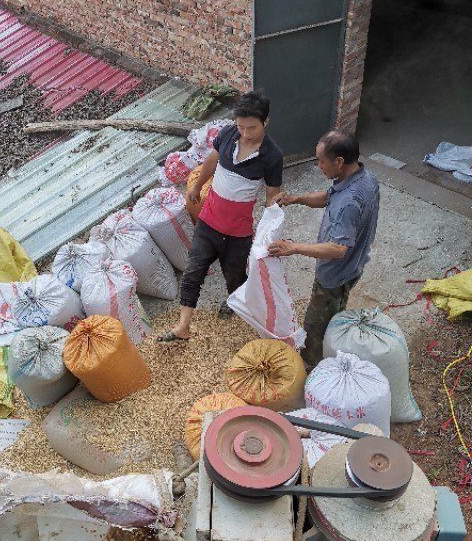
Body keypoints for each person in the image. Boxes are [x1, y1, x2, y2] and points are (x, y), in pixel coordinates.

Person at [157, 90, 283, 342]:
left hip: (238, 232)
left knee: (234, 276)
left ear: (265, 122)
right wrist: (195, 186)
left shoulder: (273, 156)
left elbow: (272, 196)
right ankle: (183, 326)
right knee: (194, 271)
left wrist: (272, 228)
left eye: (252, 128)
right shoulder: (227, 134)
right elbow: (212, 161)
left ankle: (234, 301)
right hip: (209, 221)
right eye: (241, 127)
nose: (245, 134)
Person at [267, 130, 379, 367]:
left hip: (334, 276)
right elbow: (328, 197)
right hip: (354, 267)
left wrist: (294, 247)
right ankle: (333, 330)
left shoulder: (349, 202)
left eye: (321, 161)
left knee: (314, 327)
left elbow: (338, 249)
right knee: (335, 312)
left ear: (339, 162)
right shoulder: (365, 177)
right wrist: (295, 199)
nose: (318, 166)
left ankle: (310, 368)